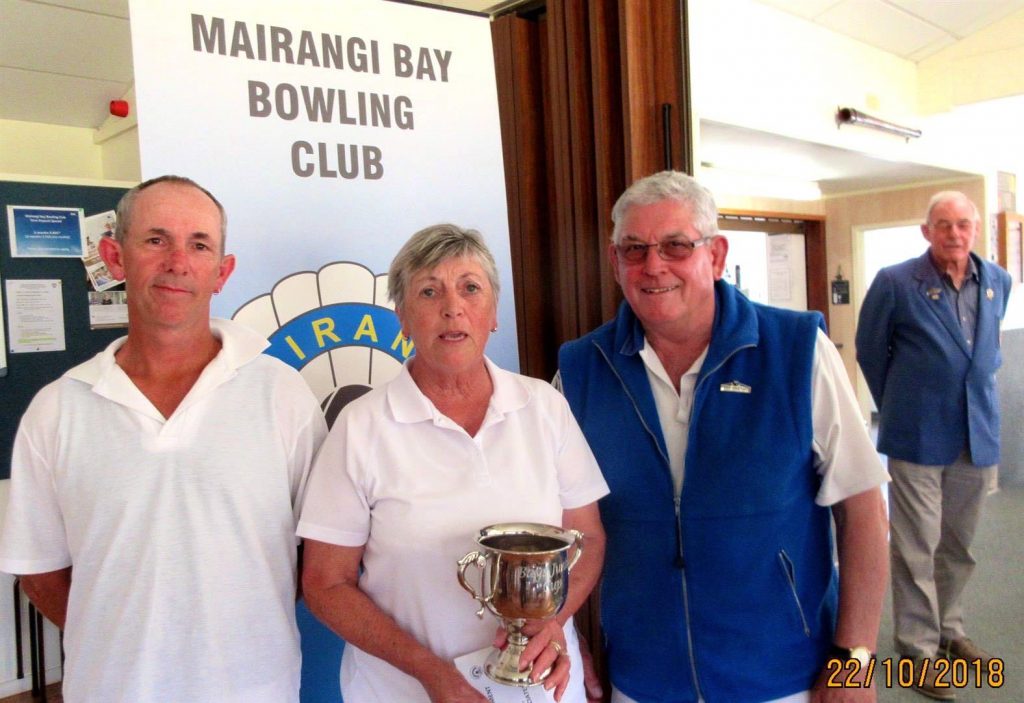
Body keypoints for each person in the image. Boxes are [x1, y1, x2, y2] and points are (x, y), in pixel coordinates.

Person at [557, 171, 890, 703]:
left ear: (715, 256)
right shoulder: (579, 372)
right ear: (615, 262)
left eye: (676, 246)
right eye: (634, 249)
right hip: (643, 679)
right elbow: (558, 530)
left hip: (785, 678)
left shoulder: (798, 351)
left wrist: (856, 659)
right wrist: (567, 634)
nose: (653, 266)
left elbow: (863, 510)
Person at [0, 175, 327, 702]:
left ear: (222, 272)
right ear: (114, 258)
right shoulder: (57, 409)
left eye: (199, 245)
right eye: (156, 240)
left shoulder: (281, 394)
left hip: (254, 688)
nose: (178, 262)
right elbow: (40, 573)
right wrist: (120, 639)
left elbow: (319, 555)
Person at [298, 224, 608, 703]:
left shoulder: (545, 407)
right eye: (429, 291)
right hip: (403, 691)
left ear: (494, 313)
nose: (452, 307)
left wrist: (554, 621)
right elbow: (325, 583)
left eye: (470, 288)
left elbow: (587, 537)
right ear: (402, 317)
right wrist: (429, 672)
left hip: (539, 687)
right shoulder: (360, 427)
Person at [856, 191, 1011, 699]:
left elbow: (984, 352)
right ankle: (918, 649)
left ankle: (950, 629)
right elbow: (870, 351)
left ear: (975, 230)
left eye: (963, 224)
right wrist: (901, 403)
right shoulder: (896, 282)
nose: (954, 233)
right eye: (943, 224)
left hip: (976, 432)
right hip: (917, 435)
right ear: (927, 231)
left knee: (959, 544)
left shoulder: (997, 281)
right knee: (916, 545)